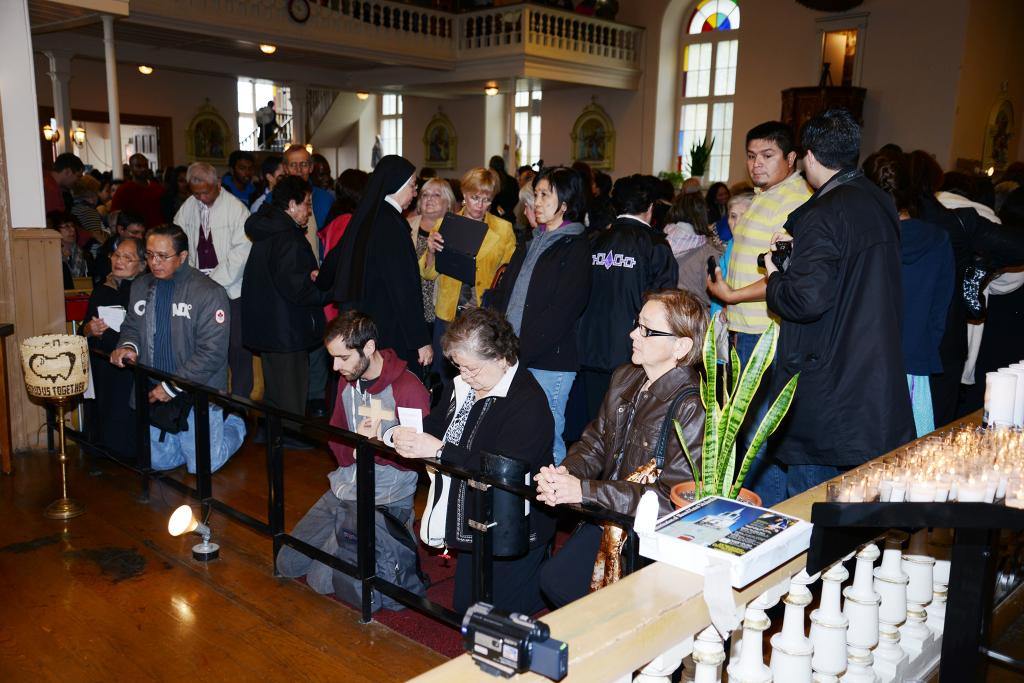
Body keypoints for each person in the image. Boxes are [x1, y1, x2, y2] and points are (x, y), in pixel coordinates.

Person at [766, 109, 916, 497]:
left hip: (827, 378)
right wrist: (800, 254)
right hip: (867, 367)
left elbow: (805, 301)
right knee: (852, 501)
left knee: (811, 502)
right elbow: (851, 267)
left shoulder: (822, 212)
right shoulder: (878, 200)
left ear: (809, 156)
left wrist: (775, 275)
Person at [536, 289, 708, 608]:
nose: (633, 334)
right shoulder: (625, 377)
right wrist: (565, 475)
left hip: (647, 533)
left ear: (681, 347)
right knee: (555, 580)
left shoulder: (693, 406)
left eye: (647, 329)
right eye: (637, 324)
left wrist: (584, 491)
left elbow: (673, 499)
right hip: (610, 513)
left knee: (562, 585)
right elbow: (595, 442)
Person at [392, 307, 554, 614]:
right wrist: (402, 433)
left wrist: (440, 451)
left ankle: (544, 574)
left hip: (514, 521)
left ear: (502, 358)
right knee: (466, 607)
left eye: (472, 369)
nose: (464, 376)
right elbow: (437, 426)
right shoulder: (463, 386)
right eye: (458, 366)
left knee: (496, 614)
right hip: (474, 513)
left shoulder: (528, 401)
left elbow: (503, 469)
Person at [276, 310, 431, 592]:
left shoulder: (408, 389)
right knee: (287, 563)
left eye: (343, 357)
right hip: (345, 487)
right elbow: (336, 435)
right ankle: (344, 533)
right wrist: (356, 451)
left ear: (369, 347)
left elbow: (420, 460)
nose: (336, 367)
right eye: (333, 358)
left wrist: (373, 447)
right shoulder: (348, 381)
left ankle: (396, 532)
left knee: (321, 581)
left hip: (386, 499)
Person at [705, 121, 812, 507]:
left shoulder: (794, 200)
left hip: (768, 333)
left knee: (759, 432)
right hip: (747, 329)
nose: (757, 164)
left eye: (767, 156)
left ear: (791, 158)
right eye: (751, 156)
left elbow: (783, 274)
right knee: (752, 429)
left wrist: (731, 295)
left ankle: (765, 512)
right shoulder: (765, 195)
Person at [110, 224, 246, 473]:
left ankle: (236, 422)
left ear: (183, 256)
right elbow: (131, 327)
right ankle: (190, 442)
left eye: (163, 256)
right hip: (155, 388)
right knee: (158, 461)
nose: (154, 262)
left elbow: (212, 353)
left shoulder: (209, 292)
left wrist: (172, 386)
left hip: (197, 390)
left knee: (202, 466)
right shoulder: (140, 286)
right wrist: (127, 347)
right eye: (150, 254)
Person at [489, 166, 592, 465]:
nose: (537, 201)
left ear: (566, 202)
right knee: (513, 432)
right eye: (536, 194)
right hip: (513, 354)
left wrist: (518, 352)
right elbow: (507, 297)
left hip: (550, 361)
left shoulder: (576, 247)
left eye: (545, 194)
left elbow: (563, 312)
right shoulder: (531, 242)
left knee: (548, 435)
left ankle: (553, 493)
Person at [863, 151, 954, 436]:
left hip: (864, 360)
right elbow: (940, 311)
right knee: (909, 450)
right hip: (914, 359)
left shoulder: (864, 239)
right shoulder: (938, 239)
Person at [576, 174, 678, 426]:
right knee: (625, 426)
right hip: (632, 351)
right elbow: (665, 303)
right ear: (650, 208)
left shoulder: (594, 241)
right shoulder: (655, 245)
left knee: (594, 424)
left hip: (589, 347)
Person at [317, 155, 433, 372]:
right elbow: (403, 287)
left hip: (359, 321)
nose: (415, 193)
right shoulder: (391, 224)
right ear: (397, 186)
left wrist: (320, 279)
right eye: (412, 186)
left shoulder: (365, 216)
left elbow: (334, 258)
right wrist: (421, 340)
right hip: (387, 323)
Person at [242, 175, 328, 448]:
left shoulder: (268, 228)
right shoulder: (288, 237)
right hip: (286, 326)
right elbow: (297, 288)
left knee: (275, 386)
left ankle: (269, 432)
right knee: (291, 387)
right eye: (307, 204)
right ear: (291, 205)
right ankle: (289, 436)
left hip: (269, 323)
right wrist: (324, 287)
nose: (310, 211)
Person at [422, 168, 516, 381]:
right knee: (445, 378)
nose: (480, 205)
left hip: (483, 315)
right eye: (475, 198)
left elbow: (508, 276)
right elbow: (428, 274)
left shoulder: (503, 230)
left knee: (478, 376)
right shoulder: (445, 224)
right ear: (464, 194)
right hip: (448, 314)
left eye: (487, 199)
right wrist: (431, 251)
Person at [174, 162, 254, 399]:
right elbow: (178, 243)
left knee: (237, 345)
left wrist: (215, 280)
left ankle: (240, 401)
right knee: (203, 344)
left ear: (218, 184)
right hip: (198, 286)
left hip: (231, 288)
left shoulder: (236, 209)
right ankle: (207, 397)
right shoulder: (188, 207)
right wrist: (192, 278)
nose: (201, 197)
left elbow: (243, 251)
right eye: (196, 193)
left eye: (205, 192)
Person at [81, 236, 147, 461]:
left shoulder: (144, 291)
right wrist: (90, 329)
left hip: (128, 367)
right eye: (117, 255)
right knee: (101, 412)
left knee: (123, 417)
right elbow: (83, 329)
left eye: (127, 258)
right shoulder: (102, 288)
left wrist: (108, 334)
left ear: (142, 264)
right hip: (101, 364)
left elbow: (141, 334)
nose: (119, 261)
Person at [409, 177, 456, 331]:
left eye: (436, 195)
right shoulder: (406, 225)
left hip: (441, 308)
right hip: (410, 305)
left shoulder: (455, 230)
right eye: (425, 194)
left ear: (448, 202)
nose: (429, 199)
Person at [664, 190, 724, 307]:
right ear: (702, 215)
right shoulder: (708, 252)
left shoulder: (660, 241)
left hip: (666, 308)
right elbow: (714, 292)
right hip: (695, 311)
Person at [111, 153, 165, 228]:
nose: (143, 169)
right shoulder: (123, 190)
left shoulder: (158, 188)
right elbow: (114, 215)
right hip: (135, 232)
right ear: (131, 168)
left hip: (158, 231)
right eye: (138, 166)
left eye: (145, 165)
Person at [93, 211, 146, 286]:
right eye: (134, 232)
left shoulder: (147, 250)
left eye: (142, 233)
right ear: (120, 229)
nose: (140, 237)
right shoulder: (103, 252)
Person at [50, 212, 90, 288]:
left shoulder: (85, 255)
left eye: (73, 226)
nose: (72, 230)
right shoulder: (51, 257)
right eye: (66, 226)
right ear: (55, 230)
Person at [488, 155, 519, 222]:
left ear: (490, 166)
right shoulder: (513, 180)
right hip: (509, 216)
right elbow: (516, 198)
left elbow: (492, 201)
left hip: (494, 217)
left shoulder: (491, 180)